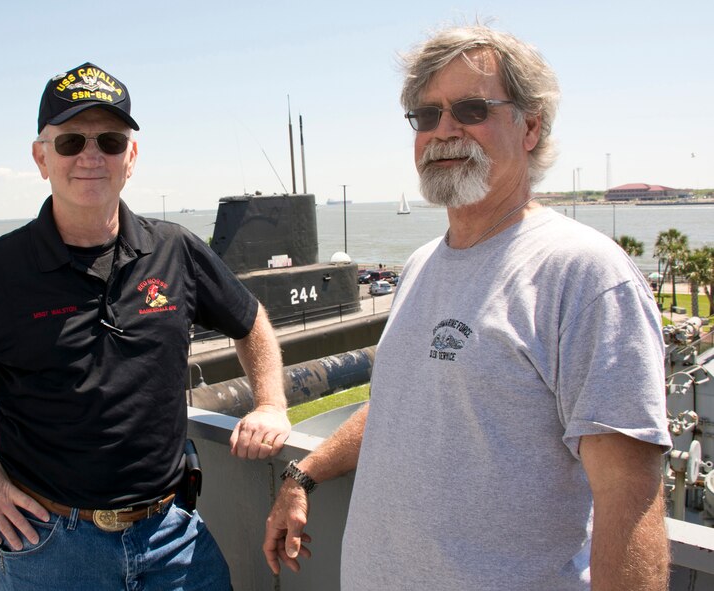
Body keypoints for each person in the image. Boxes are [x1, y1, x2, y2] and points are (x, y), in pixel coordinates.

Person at [264, 25, 671, 590]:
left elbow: (630, 496)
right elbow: (403, 406)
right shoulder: (424, 265)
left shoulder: (582, 274)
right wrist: (303, 473)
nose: (443, 131)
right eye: (425, 116)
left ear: (530, 127)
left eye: (471, 109)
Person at [0, 61, 290, 590]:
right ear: (41, 157)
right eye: (71, 141)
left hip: (173, 538)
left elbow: (250, 320)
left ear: (132, 157)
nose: (91, 157)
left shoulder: (175, 250)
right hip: (48, 548)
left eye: (111, 141)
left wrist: (271, 402)